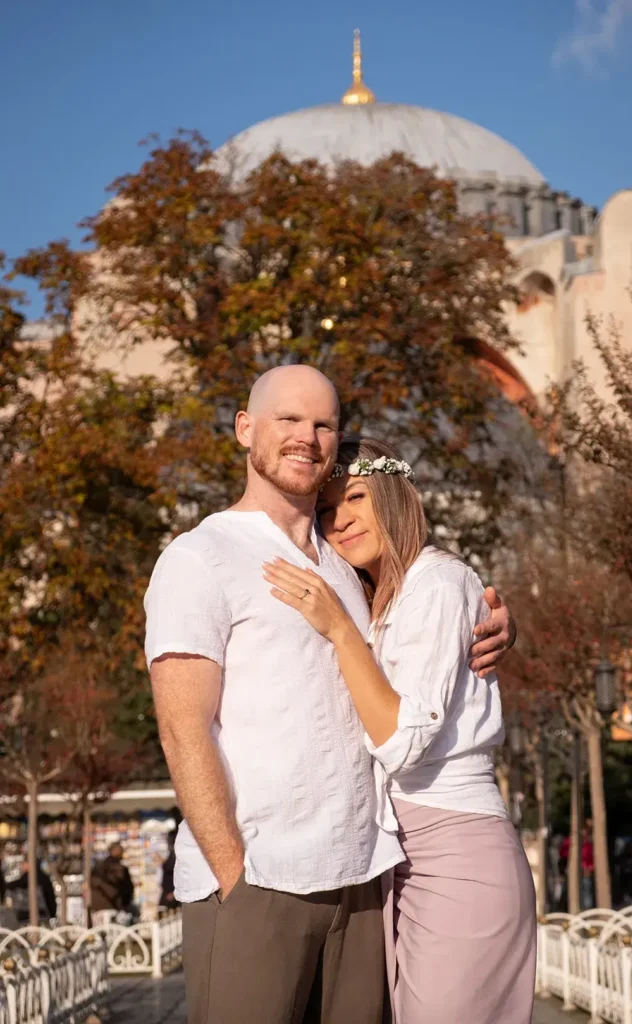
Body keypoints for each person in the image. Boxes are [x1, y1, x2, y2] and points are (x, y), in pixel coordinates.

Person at [145, 365, 515, 1024]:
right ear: (244, 429)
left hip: (366, 878)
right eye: (287, 420)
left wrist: (490, 625)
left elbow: (423, 619)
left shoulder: (346, 564)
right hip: (260, 879)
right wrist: (234, 874)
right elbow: (182, 730)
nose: (307, 437)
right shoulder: (200, 556)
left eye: (323, 424)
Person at [264, 435, 536, 1024]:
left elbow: (402, 742)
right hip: (399, 857)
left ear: (393, 492)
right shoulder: (384, 598)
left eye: (355, 496)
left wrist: (339, 630)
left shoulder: (437, 584)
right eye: (328, 509)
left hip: (456, 851)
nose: (342, 520)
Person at [90, 842, 135, 917]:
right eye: (122, 851)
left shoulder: (98, 866)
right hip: (114, 905)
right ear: (117, 851)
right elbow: (127, 889)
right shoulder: (120, 869)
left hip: (95, 906)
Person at [6, 857, 57, 922]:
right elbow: (50, 898)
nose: (22, 866)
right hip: (43, 913)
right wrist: (52, 913)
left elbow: (14, 885)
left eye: (23, 863)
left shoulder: (29, 876)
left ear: (29, 864)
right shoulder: (44, 877)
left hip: (28, 912)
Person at [159, 831, 180, 910]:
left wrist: (174, 893)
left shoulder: (176, 855)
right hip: (169, 893)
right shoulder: (173, 853)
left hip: (172, 894)